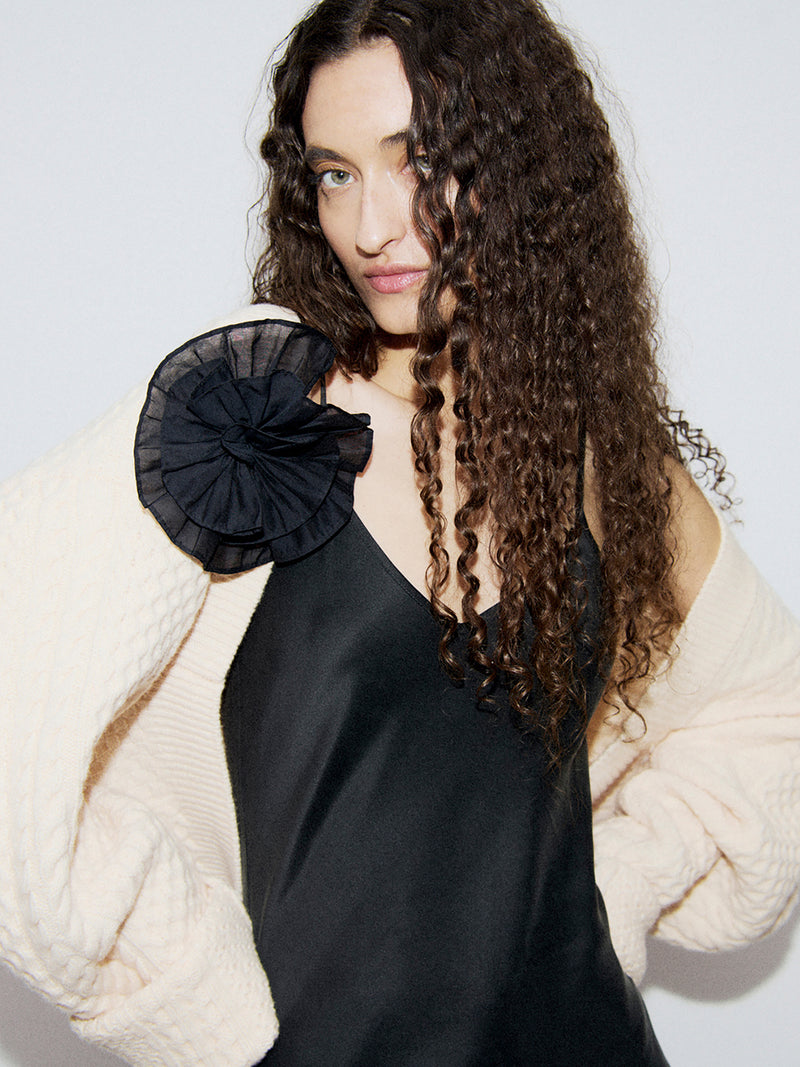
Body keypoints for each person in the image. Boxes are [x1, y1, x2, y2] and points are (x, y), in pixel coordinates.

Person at [1, 0, 799, 1065]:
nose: (371, 225)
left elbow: (769, 709)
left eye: (418, 161)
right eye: (334, 174)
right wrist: (192, 1000)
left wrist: (626, 876)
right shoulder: (253, 418)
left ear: (519, 168)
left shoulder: (592, 454)